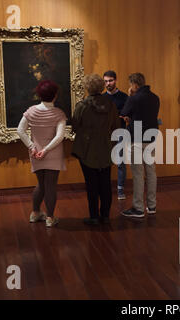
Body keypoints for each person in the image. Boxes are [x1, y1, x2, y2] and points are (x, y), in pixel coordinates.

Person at [17, 80, 67, 227]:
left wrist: (32, 147)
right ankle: (50, 218)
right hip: (52, 153)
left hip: (35, 152)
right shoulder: (59, 114)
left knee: (41, 184)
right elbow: (59, 136)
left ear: (39, 94)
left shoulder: (31, 111)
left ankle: (35, 213)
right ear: (55, 95)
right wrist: (46, 150)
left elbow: (20, 130)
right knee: (50, 185)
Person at [71, 74, 119, 225]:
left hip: (87, 149)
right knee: (105, 183)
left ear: (87, 87)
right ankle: (105, 215)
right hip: (106, 147)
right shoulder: (111, 105)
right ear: (101, 86)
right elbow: (116, 127)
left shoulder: (82, 106)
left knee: (91, 184)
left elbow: (74, 126)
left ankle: (94, 216)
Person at [120, 73, 160, 218]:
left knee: (137, 173)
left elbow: (124, 112)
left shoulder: (135, 98)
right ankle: (152, 205)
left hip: (136, 138)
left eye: (131, 85)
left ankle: (138, 208)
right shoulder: (155, 97)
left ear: (134, 84)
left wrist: (130, 96)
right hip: (151, 137)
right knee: (151, 171)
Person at [103, 70, 129, 200]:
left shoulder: (124, 97)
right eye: (106, 81)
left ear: (115, 80)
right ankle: (105, 189)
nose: (108, 83)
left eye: (110, 80)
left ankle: (120, 190)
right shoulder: (101, 98)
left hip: (121, 133)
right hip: (106, 134)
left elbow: (127, 115)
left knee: (120, 162)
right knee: (105, 163)